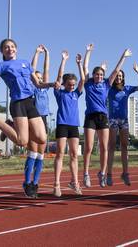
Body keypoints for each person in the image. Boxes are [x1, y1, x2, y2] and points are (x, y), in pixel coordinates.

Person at [0, 39, 50, 198]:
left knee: (42, 138)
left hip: (31, 103)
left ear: (16, 49)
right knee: (22, 141)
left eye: (12, 46)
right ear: (2, 51)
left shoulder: (25, 63)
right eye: (6, 47)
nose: (9, 49)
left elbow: (38, 84)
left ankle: (9, 124)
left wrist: (52, 84)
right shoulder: (0, 66)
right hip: (17, 104)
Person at [82, 44, 131, 188]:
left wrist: (123, 57)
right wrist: (88, 52)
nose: (99, 76)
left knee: (104, 147)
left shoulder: (106, 84)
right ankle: (85, 174)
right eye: (97, 74)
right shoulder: (88, 84)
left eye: (101, 75)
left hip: (103, 117)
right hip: (90, 117)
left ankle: (102, 174)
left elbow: (116, 70)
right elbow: (85, 68)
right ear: (93, 75)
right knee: (89, 147)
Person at [106, 62, 138, 186]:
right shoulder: (109, 88)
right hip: (112, 120)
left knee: (124, 147)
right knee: (111, 147)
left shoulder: (127, 88)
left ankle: (125, 173)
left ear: (123, 78)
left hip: (124, 120)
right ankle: (109, 175)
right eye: (117, 75)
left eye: (120, 76)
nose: (118, 78)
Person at [52, 51, 85, 197]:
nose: (72, 86)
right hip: (62, 125)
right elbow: (58, 77)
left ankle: (74, 182)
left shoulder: (76, 93)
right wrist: (64, 60)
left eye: (73, 84)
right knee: (60, 153)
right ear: (64, 84)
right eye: (69, 84)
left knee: (74, 155)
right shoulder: (60, 93)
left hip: (74, 126)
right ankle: (57, 184)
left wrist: (79, 64)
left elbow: (83, 79)